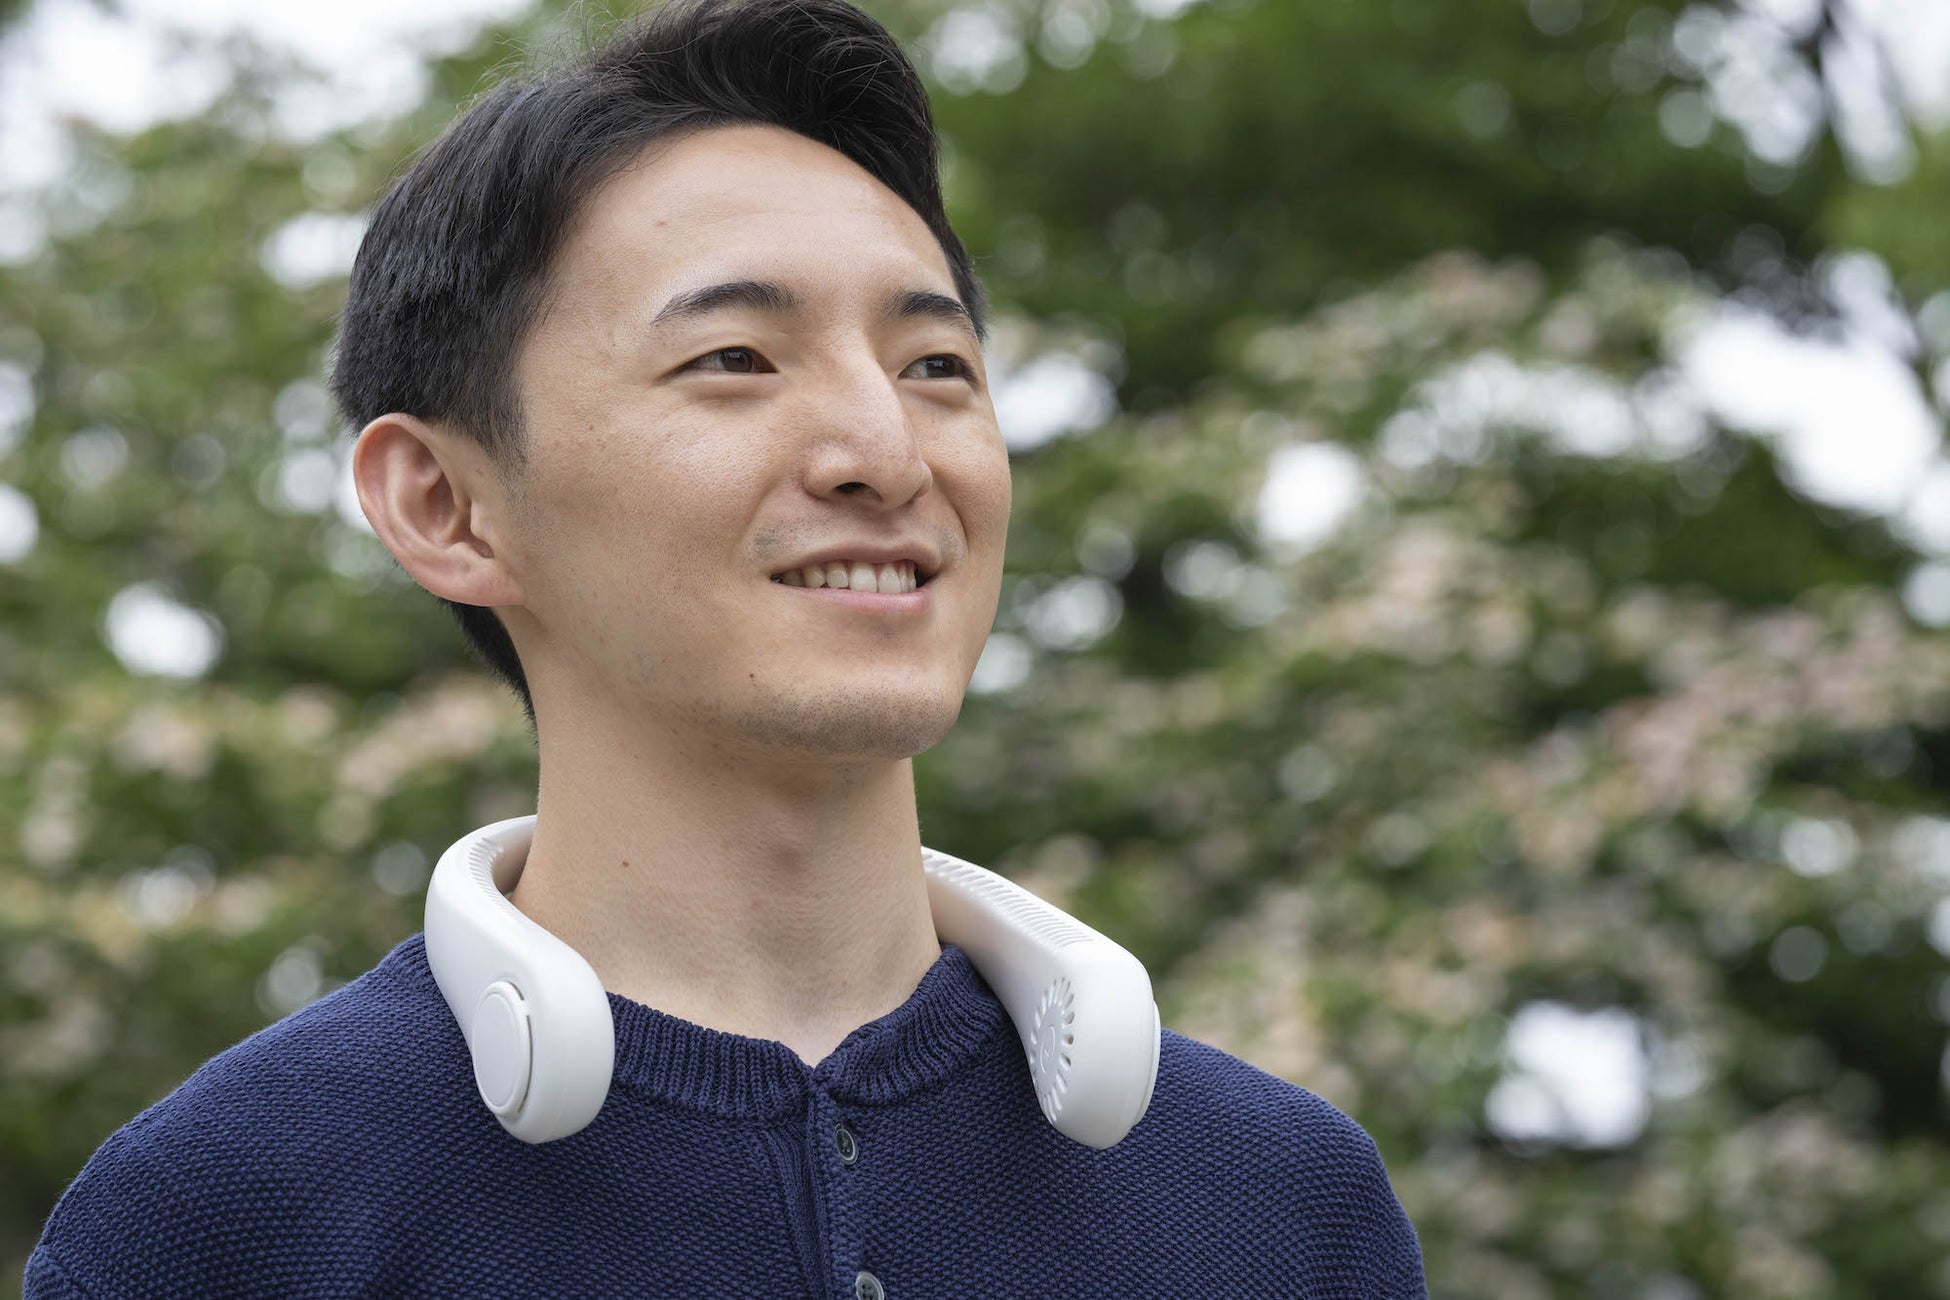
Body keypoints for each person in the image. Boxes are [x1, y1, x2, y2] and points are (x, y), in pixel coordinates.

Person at [24, 0, 1427, 1294]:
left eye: (935, 367)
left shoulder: (1285, 1208)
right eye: (736, 360)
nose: (886, 452)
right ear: (446, 506)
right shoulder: (224, 1219)